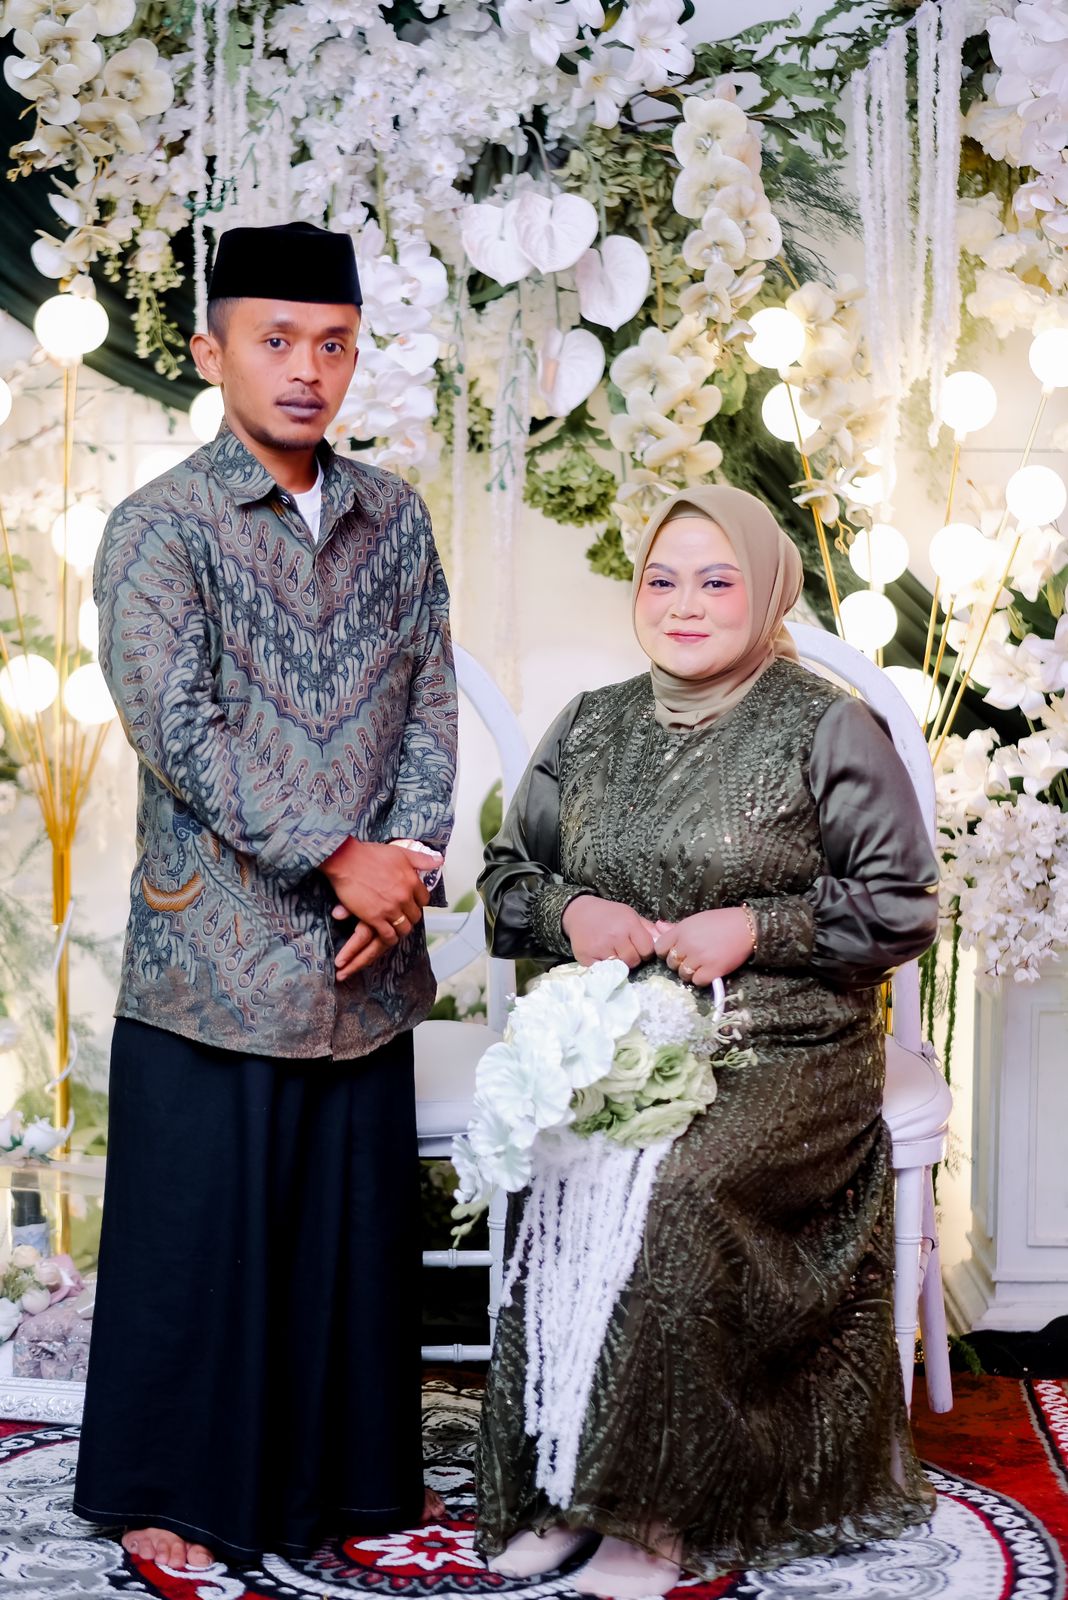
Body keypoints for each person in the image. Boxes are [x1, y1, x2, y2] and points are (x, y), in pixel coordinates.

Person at [73, 221, 457, 1571]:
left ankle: (339, 1485)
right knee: (201, 1246)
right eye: (277, 339)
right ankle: (170, 1493)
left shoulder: (394, 518)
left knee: (348, 1246)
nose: (307, 369)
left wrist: (406, 862)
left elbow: (431, 703)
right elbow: (176, 729)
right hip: (214, 957)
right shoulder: (159, 527)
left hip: (365, 953)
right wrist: (340, 856)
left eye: (333, 344)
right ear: (210, 351)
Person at [474, 485, 939, 1593]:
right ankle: (561, 1478)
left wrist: (760, 928)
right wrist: (570, 914)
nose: (683, 605)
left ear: (767, 592)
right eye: (662, 579)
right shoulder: (590, 722)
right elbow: (504, 881)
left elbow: (903, 905)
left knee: (678, 1184)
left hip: (787, 1044)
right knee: (564, 1162)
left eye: (717, 581)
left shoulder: (827, 725)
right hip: (622, 1038)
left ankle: (655, 1511)